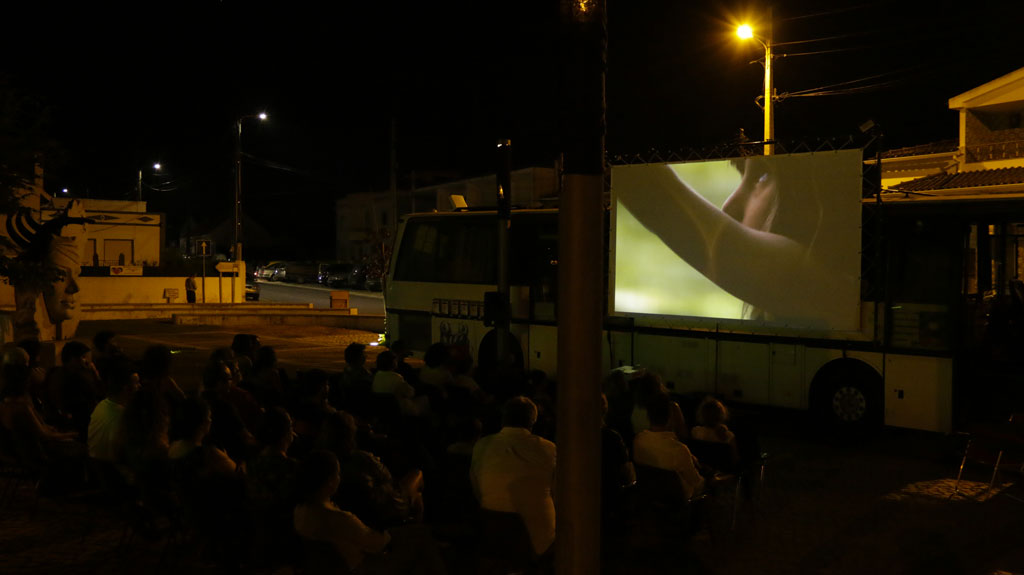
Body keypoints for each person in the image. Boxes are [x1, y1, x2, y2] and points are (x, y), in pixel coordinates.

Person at [614, 154, 859, 325]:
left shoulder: (826, 286)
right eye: (742, 174)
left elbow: (657, 195)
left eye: (762, 177)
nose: (728, 206)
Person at [293, 450, 447, 575]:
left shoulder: (301, 510)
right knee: (421, 540)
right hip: (365, 567)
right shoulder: (338, 518)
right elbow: (378, 543)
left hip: (336, 565)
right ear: (330, 481)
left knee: (417, 533)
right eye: (337, 474)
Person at [470, 396, 556, 556]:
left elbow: (477, 489)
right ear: (533, 421)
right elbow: (557, 491)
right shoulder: (548, 449)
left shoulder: (482, 445)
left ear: (503, 418)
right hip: (538, 540)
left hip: (493, 533)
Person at [632, 392, 704, 500]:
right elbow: (697, 484)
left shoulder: (638, 440)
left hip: (650, 498)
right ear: (670, 418)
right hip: (680, 503)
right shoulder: (679, 450)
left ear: (648, 415)